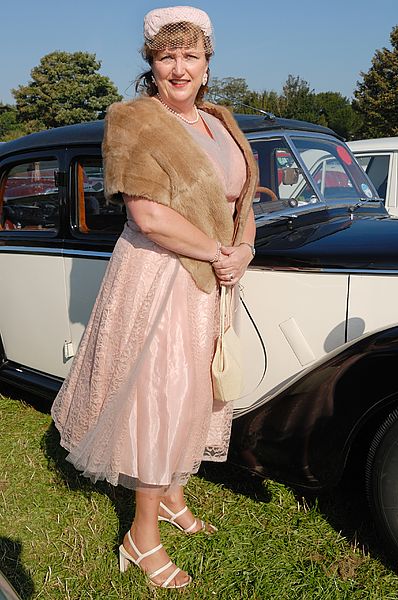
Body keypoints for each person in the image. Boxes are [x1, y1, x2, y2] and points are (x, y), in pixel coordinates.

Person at [51, 5, 258, 590]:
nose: (179, 66)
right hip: (160, 276)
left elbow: (244, 202)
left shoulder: (220, 122)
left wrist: (242, 248)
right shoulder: (134, 120)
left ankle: (170, 495)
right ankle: (140, 539)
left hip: (212, 276)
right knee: (159, 397)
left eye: (190, 54)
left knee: (196, 388)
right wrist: (219, 254)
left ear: (207, 64)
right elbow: (147, 215)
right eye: (167, 55)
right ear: (151, 64)